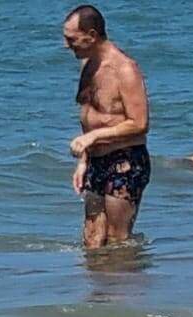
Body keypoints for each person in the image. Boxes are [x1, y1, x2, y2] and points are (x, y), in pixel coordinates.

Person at [63, 5, 150, 249]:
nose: (66, 46)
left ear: (91, 35)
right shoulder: (88, 66)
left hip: (125, 161)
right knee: (92, 239)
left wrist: (94, 137)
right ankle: (96, 288)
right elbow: (90, 115)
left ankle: (123, 286)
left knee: (116, 241)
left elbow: (140, 123)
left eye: (71, 40)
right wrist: (83, 162)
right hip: (96, 162)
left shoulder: (125, 69)